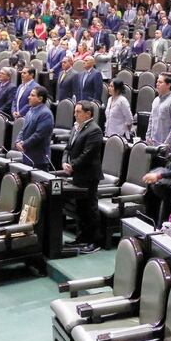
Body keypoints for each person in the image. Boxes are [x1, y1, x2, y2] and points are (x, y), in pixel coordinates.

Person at [62, 101, 104, 253]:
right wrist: (64, 162)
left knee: (90, 209)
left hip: (89, 175)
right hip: (78, 174)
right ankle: (81, 238)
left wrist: (72, 165)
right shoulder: (76, 127)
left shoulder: (95, 130)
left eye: (78, 111)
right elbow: (68, 148)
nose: (75, 114)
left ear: (88, 113)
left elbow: (88, 153)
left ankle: (94, 241)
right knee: (80, 209)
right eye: (75, 111)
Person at [15, 85, 54, 170]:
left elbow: (39, 135)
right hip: (28, 155)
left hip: (39, 158)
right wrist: (18, 141)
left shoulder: (45, 114)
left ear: (40, 99)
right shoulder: (31, 110)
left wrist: (23, 144)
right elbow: (23, 129)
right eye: (30, 95)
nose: (29, 97)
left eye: (32, 95)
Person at [146, 72, 171, 149]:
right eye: (157, 81)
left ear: (168, 85)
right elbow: (151, 120)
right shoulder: (156, 100)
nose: (157, 84)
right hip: (153, 144)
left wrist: (166, 144)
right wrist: (148, 136)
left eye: (160, 82)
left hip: (168, 147)